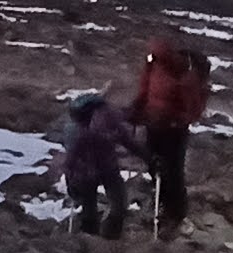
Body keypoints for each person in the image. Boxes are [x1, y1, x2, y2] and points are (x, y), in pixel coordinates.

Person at [130, 34, 207, 242]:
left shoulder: (186, 76)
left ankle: (176, 212)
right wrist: (138, 107)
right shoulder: (153, 64)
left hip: (174, 131)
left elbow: (192, 108)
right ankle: (163, 202)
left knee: (173, 170)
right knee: (153, 164)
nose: (153, 58)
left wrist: (179, 120)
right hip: (154, 125)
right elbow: (145, 87)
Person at [61, 88, 138, 241]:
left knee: (115, 205)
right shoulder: (77, 131)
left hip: (99, 169)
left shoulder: (97, 124)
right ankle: (98, 241)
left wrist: (71, 181)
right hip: (89, 172)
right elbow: (71, 161)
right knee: (97, 209)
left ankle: (103, 240)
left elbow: (69, 162)